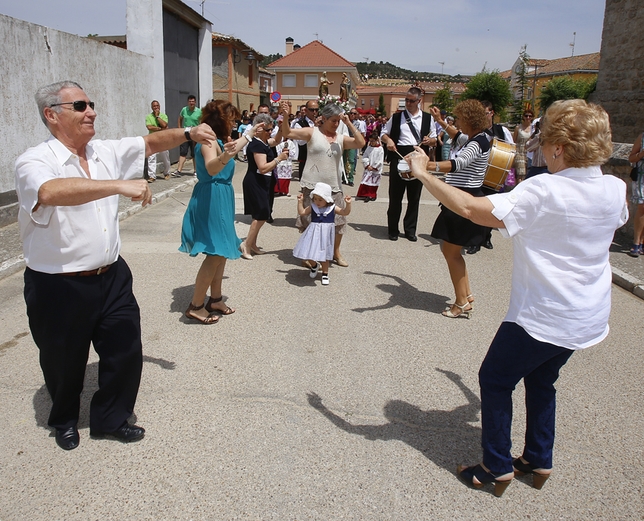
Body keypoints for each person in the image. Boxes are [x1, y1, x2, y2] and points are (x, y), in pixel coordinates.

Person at [407, 99, 627, 497]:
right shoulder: (615, 187)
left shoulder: (544, 189)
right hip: (588, 316)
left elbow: (472, 208)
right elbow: (615, 221)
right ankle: (538, 458)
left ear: (559, 147)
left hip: (544, 315)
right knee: (542, 379)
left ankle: (495, 466)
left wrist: (423, 173)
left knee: (494, 379)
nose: (540, 147)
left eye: (545, 141)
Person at [15, 80, 216, 450]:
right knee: (63, 360)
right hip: (58, 284)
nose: (91, 111)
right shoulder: (34, 161)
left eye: (91, 103)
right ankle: (64, 419)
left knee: (125, 350)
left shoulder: (104, 150)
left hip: (111, 275)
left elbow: (151, 142)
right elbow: (50, 192)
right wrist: (119, 185)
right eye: (80, 106)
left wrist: (189, 131)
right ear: (52, 115)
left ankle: (111, 417)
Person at [180, 100, 259, 323]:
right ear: (220, 120)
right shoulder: (207, 140)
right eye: (231, 119)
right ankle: (196, 305)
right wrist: (226, 155)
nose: (234, 123)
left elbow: (232, 149)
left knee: (222, 249)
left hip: (220, 196)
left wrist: (250, 133)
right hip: (212, 197)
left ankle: (215, 299)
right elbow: (212, 167)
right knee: (215, 252)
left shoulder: (218, 139)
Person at [423, 100, 491, 318]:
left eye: (460, 119)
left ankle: (461, 302)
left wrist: (425, 166)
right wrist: (440, 121)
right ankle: (466, 295)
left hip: (463, 199)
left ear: (469, 120)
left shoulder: (476, 143)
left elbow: (457, 163)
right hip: (463, 197)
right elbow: (456, 135)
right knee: (452, 251)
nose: (458, 123)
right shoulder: (478, 138)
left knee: (452, 253)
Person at [280, 100, 365, 267]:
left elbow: (360, 143)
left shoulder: (341, 138)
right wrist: (284, 116)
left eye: (338, 121)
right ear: (324, 118)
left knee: (338, 221)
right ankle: (308, 253)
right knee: (310, 220)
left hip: (333, 186)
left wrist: (349, 123)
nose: (336, 124)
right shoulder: (312, 133)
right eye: (333, 120)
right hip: (312, 186)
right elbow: (287, 132)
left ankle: (335, 252)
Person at [380, 87, 436, 242]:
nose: (408, 103)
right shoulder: (397, 117)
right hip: (399, 156)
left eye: (412, 101)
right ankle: (393, 230)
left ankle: (410, 230)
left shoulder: (428, 118)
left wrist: (429, 141)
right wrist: (389, 141)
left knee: (414, 197)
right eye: (407, 100)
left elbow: (435, 139)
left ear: (419, 101)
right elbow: (383, 133)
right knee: (395, 196)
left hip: (418, 156)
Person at [241, 113, 290, 259]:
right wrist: (279, 158)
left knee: (262, 213)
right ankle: (246, 245)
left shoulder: (263, 142)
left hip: (262, 181)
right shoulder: (256, 144)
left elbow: (276, 140)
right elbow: (262, 167)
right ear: (259, 129)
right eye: (267, 130)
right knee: (261, 215)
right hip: (255, 181)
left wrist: (281, 128)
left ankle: (253, 244)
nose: (270, 132)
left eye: (271, 129)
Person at [294, 182, 352, 285]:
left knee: (324, 255)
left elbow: (345, 212)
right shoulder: (313, 207)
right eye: (315, 199)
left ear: (327, 199)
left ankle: (325, 273)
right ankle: (314, 266)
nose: (317, 202)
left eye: (320, 199)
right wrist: (300, 202)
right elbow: (302, 212)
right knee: (307, 252)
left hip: (325, 236)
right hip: (313, 234)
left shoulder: (332, 208)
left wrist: (348, 204)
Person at [172, 94, 202, 176]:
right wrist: (179, 128)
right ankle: (179, 170)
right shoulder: (184, 110)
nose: (191, 103)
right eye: (190, 101)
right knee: (183, 152)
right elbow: (180, 118)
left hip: (194, 134)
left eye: (193, 101)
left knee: (194, 153)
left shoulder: (199, 111)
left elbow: (201, 122)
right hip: (185, 133)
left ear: (195, 102)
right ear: (188, 102)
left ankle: (196, 171)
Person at [144, 100, 171, 182]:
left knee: (165, 156)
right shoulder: (148, 117)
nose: (156, 108)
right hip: (152, 140)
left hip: (162, 139)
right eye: (154, 106)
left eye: (157, 106)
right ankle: (152, 176)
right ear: (151, 107)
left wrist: (157, 117)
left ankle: (167, 173)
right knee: (151, 157)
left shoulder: (163, 116)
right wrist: (159, 129)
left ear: (159, 106)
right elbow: (149, 127)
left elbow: (165, 125)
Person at [291, 100, 319, 179]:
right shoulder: (299, 124)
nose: (314, 112)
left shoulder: (322, 122)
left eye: (316, 110)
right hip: (306, 158)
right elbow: (301, 142)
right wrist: (314, 129)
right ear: (306, 111)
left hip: (319, 159)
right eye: (312, 110)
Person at [628, 131, 644, 256]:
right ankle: (636, 242)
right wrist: (641, 154)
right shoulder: (642, 137)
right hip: (641, 178)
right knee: (641, 206)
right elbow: (631, 157)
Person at [356, 132, 384, 202]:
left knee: (374, 183)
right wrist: (367, 165)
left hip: (375, 169)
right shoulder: (369, 148)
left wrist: (374, 167)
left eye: (373, 141)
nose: (371, 143)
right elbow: (365, 156)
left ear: (377, 140)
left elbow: (380, 160)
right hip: (368, 168)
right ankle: (365, 194)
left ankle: (372, 195)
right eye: (370, 141)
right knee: (366, 181)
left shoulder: (380, 149)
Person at [513, 109, 534, 183]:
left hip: (529, 153)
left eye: (530, 116)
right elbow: (514, 141)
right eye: (526, 116)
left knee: (527, 174)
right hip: (519, 152)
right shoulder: (518, 128)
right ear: (523, 117)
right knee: (520, 173)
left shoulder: (533, 128)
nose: (528, 117)